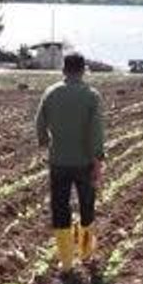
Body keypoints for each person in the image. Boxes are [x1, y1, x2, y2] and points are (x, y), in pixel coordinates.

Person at [35, 52, 106, 272]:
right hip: (84, 161)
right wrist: (97, 160)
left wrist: (45, 141)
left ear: (64, 70)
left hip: (59, 161)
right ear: (83, 70)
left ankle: (66, 262)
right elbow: (96, 132)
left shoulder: (50, 93)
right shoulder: (91, 96)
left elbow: (39, 122)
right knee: (87, 206)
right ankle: (85, 253)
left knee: (60, 207)